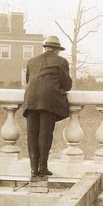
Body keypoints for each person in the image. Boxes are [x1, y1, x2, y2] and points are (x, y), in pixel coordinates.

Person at [22, 35, 72, 177]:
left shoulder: (32, 61)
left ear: (45, 48)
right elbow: (67, 85)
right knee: (45, 134)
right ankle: (43, 168)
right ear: (57, 50)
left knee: (32, 135)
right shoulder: (61, 61)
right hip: (48, 100)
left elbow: (28, 80)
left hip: (30, 99)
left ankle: (33, 169)